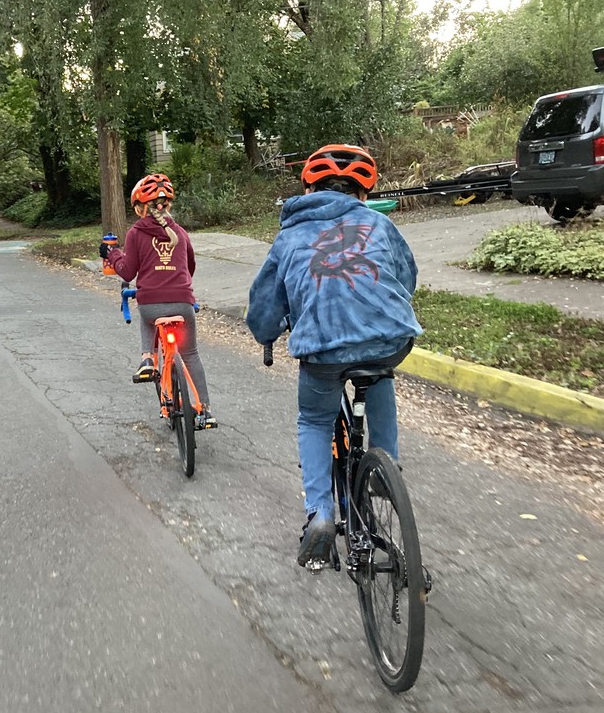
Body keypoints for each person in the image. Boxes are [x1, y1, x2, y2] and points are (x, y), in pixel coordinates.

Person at [246, 144, 423, 571]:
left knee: (315, 419)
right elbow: (407, 276)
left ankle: (320, 514)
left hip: (323, 349)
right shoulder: (379, 224)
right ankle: (384, 469)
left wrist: (268, 333)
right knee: (378, 375)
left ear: (309, 188)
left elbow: (265, 310)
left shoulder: (289, 236)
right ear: (364, 192)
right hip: (390, 339)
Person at [100, 173, 217, 429]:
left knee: (147, 317)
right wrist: (180, 287)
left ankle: (148, 359)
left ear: (141, 208)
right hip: (183, 304)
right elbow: (190, 267)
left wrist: (114, 253)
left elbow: (128, 272)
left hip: (152, 304)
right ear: (169, 205)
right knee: (191, 354)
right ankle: (204, 411)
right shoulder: (181, 234)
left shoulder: (135, 232)